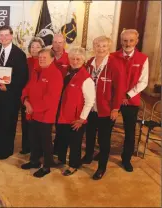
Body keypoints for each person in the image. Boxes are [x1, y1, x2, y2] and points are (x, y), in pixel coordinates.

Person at [83, 36, 126, 180]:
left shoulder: (115, 63)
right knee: (89, 134)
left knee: (103, 139)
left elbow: (120, 88)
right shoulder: (90, 62)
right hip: (91, 107)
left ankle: (101, 167)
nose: (100, 49)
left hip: (106, 109)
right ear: (93, 47)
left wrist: (115, 108)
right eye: (97, 46)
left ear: (109, 48)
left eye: (103, 46)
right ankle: (88, 156)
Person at [20, 49, 63, 178]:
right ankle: (34, 161)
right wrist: (26, 101)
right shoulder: (36, 71)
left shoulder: (55, 74)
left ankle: (46, 166)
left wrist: (33, 108)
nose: (42, 59)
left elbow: (50, 99)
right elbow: (27, 88)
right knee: (33, 139)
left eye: (45, 57)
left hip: (45, 115)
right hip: (32, 112)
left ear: (52, 59)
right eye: (40, 57)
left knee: (45, 142)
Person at [111, 29, 149, 172]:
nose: (128, 43)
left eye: (131, 40)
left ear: (136, 41)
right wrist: (118, 96)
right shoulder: (112, 56)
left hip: (131, 100)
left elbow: (143, 81)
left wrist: (127, 95)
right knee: (106, 128)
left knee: (130, 131)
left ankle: (126, 159)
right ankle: (102, 152)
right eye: (125, 40)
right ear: (121, 41)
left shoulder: (143, 58)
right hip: (114, 99)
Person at [55, 47, 95, 176]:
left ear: (83, 60)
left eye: (78, 59)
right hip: (62, 114)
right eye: (72, 58)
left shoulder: (86, 79)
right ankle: (60, 159)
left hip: (76, 118)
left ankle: (73, 165)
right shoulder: (66, 72)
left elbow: (90, 101)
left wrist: (82, 119)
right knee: (61, 138)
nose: (75, 61)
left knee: (75, 143)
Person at [0, 25, 28, 160]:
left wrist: (9, 87)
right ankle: (0, 147)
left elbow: (22, 77)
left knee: (9, 123)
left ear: (11, 36)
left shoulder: (19, 54)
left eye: (6, 35)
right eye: (1, 35)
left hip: (11, 96)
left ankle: (7, 150)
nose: (4, 38)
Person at [21, 37, 45, 155]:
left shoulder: (44, 62)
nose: (35, 49)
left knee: (36, 125)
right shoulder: (25, 61)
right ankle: (26, 147)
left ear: (42, 49)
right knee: (25, 123)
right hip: (25, 96)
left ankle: (37, 149)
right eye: (32, 47)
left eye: (38, 47)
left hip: (38, 98)